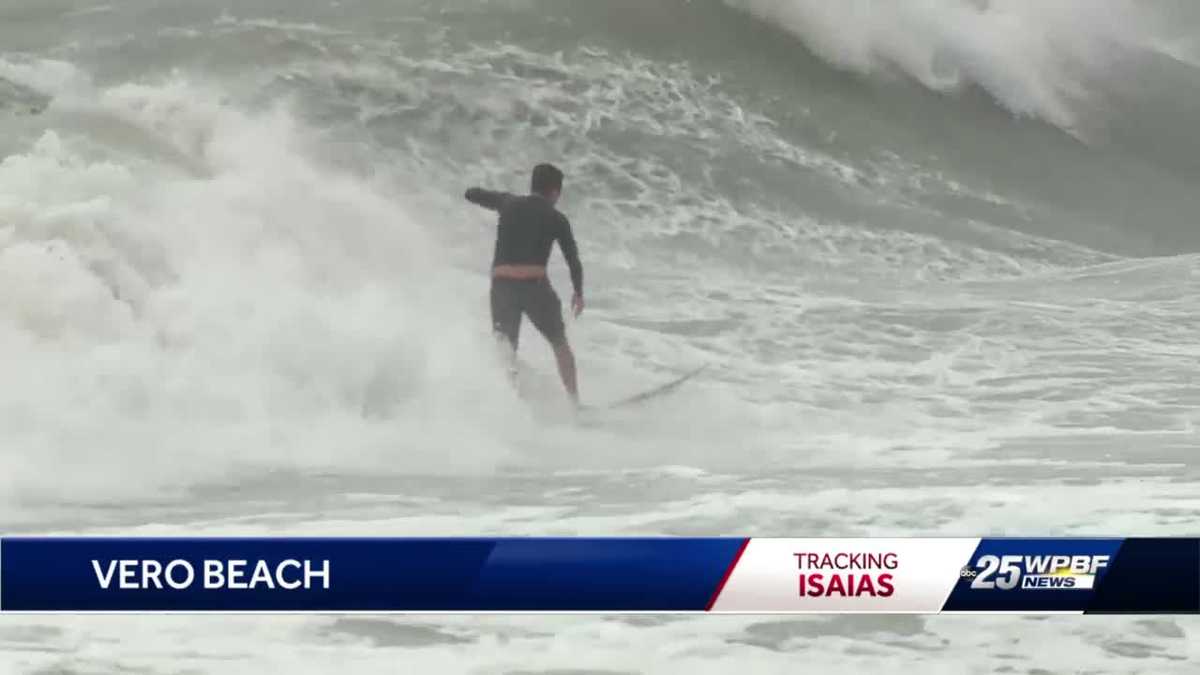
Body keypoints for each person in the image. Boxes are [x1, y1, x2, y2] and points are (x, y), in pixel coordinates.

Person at [465, 163, 584, 405]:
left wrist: (481, 194)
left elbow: (472, 193)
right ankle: (575, 404)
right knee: (559, 343)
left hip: (501, 286)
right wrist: (578, 292)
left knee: (506, 350)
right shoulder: (556, 217)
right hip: (533, 287)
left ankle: (510, 406)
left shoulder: (507, 202)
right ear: (554, 192)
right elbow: (573, 259)